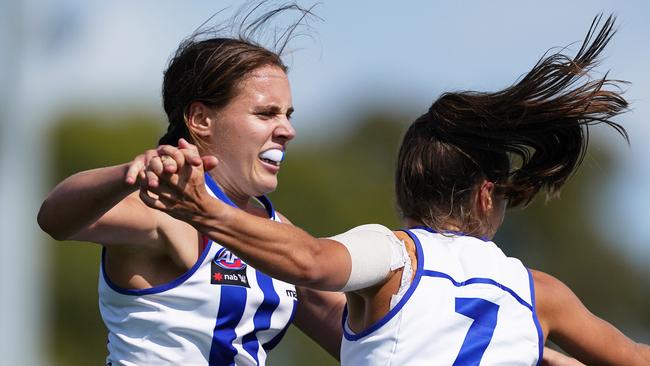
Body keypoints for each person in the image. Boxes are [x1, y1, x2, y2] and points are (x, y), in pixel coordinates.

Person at [140, 15, 650, 365]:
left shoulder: (392, 255)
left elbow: (313, 262)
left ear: (406, 189)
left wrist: (205, 209)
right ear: (485, 195)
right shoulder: (539, 293)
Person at [37, 4, 345, 365]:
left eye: (287, 115)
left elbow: (359, 340)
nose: (287, 130)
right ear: (200, 119)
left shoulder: (277, 230)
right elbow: (55, 218)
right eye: (266, 114)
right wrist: (126, 174)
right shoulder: (165, 211)